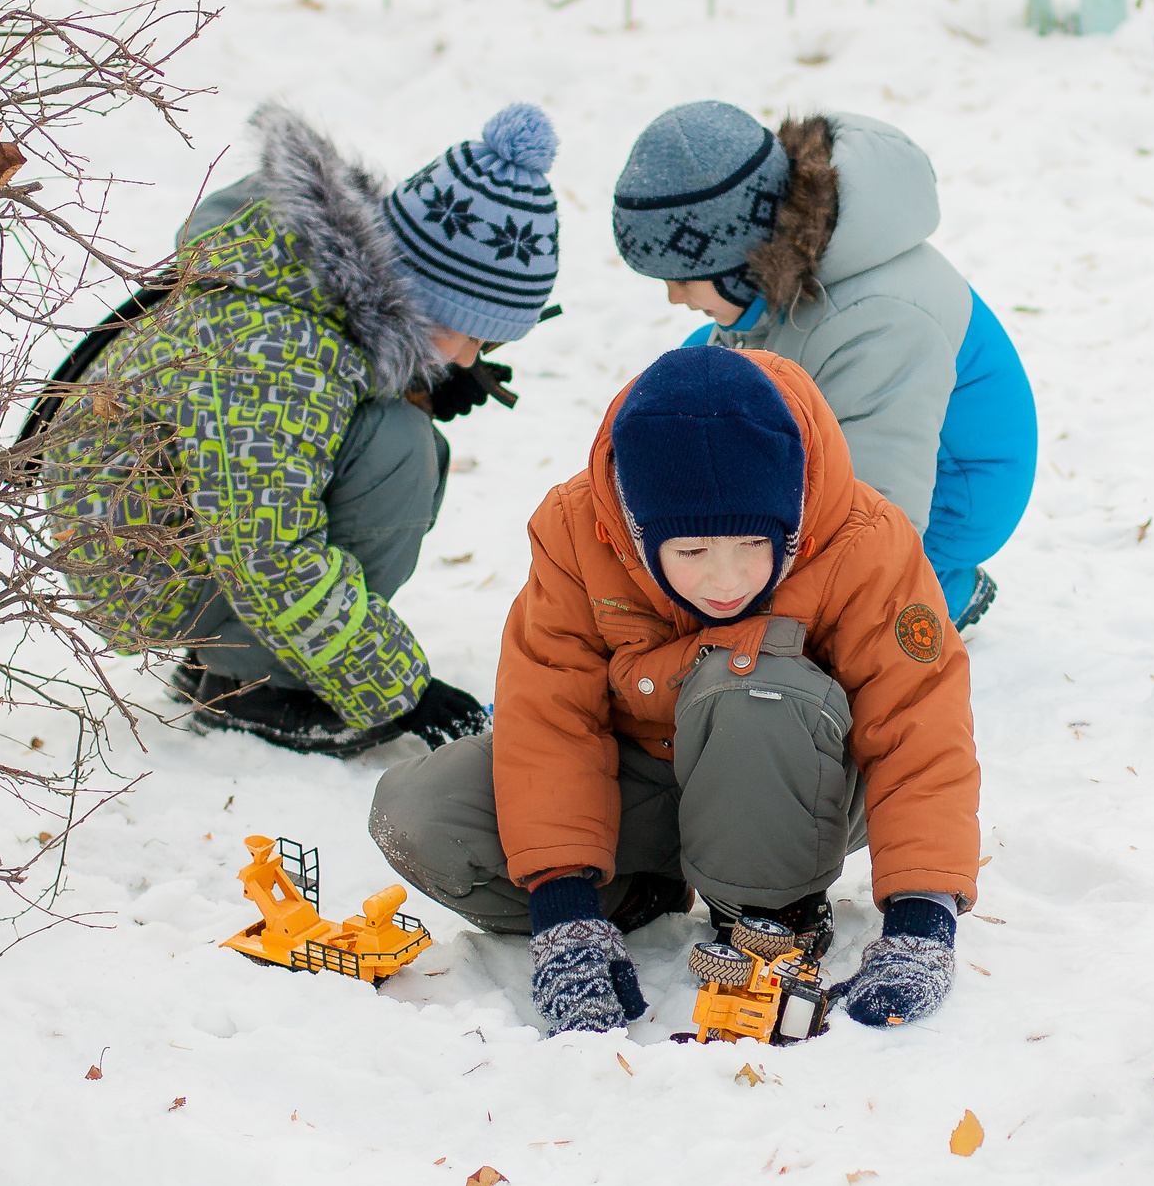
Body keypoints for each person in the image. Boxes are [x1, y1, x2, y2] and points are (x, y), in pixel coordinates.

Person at [366, 345, 982, 1035]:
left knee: (750, 684)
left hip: (801, 777)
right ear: (637, 527)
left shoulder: (864, 540)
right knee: (418, 810)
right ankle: (640, 891)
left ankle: (772, 911)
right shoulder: (576, 532)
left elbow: (919, 724)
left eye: (753, 546)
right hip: (647, 778)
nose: (726, 581)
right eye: (691, 554)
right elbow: (549, 718)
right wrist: (565, 910)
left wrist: (922, 917)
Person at [35, 100, 561, 757]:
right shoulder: (276, 349)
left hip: (169, 532)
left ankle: (240, 659)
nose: (468, 359)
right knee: (400, 452)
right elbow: (267, 550)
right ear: (420, 299)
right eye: (472, 336)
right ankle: (256, 685)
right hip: (142, 572)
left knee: (399, 431)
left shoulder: (304, 286)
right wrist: (400, 687)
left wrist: (415, 377)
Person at [609, 102, 1035, 632]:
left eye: (684, 277)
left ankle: (939, 586)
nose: (674, 297)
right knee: (702, 364)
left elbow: (883, 513)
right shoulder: (772, 273)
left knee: (848, 597)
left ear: (740, 262)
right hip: (869, 426)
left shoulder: (881, 321)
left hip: (954, 490)